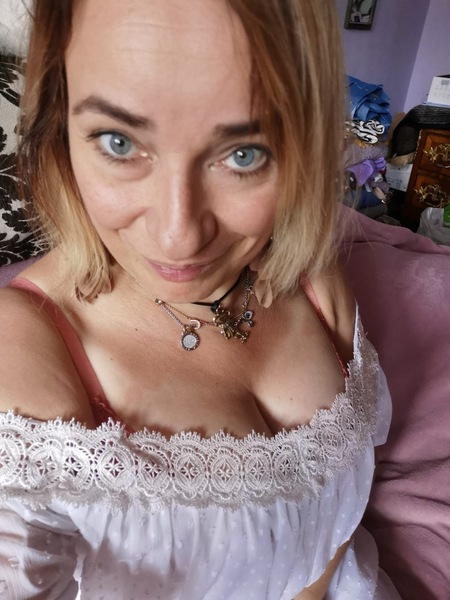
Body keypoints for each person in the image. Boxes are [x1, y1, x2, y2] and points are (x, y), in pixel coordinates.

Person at [0, 0, 400, 598]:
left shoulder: (315, 279)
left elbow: (339, 520)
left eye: (244, 153)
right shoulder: (24, 350)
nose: (178, 237)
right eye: (118, 141)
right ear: (60, 131)